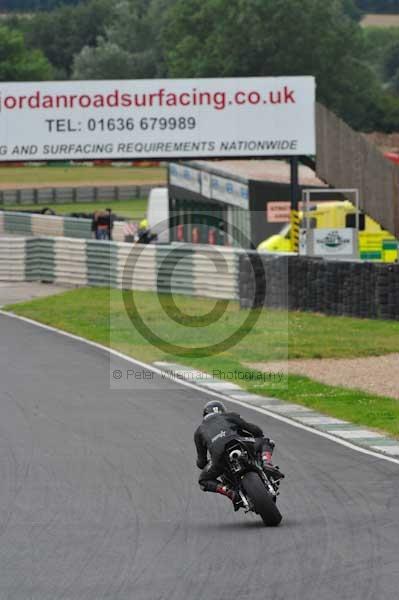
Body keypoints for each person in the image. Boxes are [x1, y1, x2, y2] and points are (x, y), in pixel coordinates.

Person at [194, 400, 275, 511]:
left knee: (203, 480)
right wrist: (257, 435)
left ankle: (229, 492)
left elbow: (201, 461)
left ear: (204, 415)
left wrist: (206, 463)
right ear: (222, 411)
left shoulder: (199, 431)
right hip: (242, 442)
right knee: (267, 442)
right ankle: (267, 463)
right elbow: (255, 430)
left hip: (219, 457)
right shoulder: (230, 416)